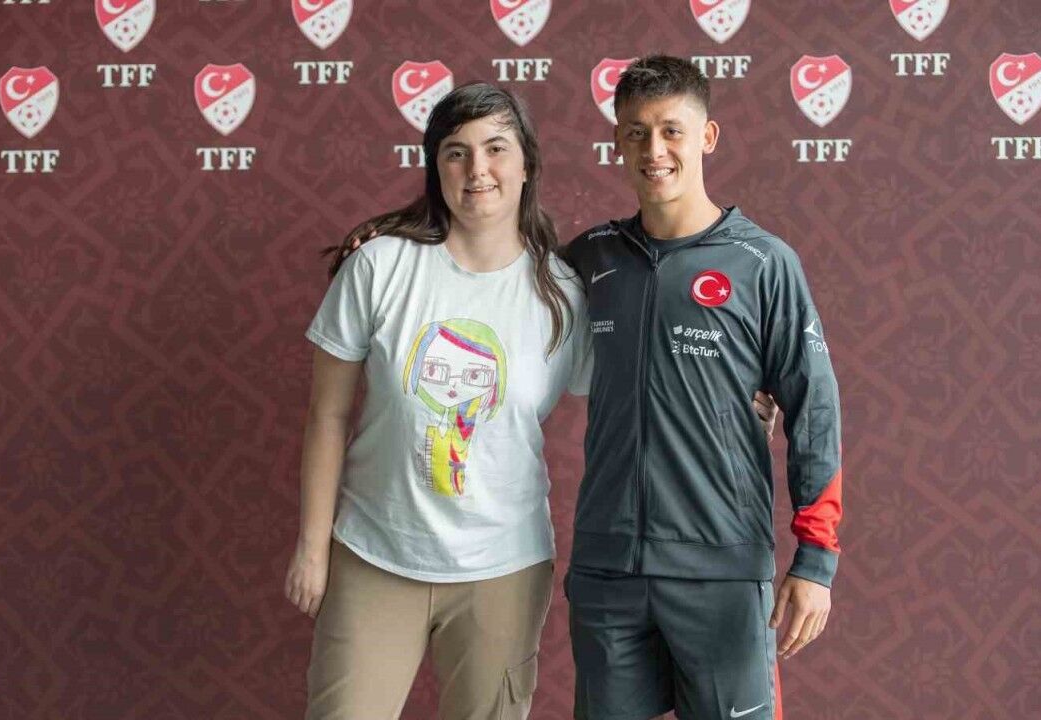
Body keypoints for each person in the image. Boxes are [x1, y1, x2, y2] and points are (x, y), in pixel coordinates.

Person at [284, 82, 778, 720]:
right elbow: (326, 418)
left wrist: (730, 407)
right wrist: (312, 547)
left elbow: (639, 387)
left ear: (526, 165)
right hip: (374, 556)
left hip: (505, 569)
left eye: (496, 148)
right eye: (456, 152)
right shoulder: (379, 267)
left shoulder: (563, 292)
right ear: (436, 168)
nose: (478, 169)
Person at [560, 56, 844, 720]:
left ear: (707, 137)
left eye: (671, 131)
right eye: (636, 133)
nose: (653, 150)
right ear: (617, 141)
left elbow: (815, 410)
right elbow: (487, 273)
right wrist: (398, 236)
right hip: (607, 571)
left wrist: (815, 560)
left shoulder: (764, 263)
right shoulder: (590, 257)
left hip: (721, 570)